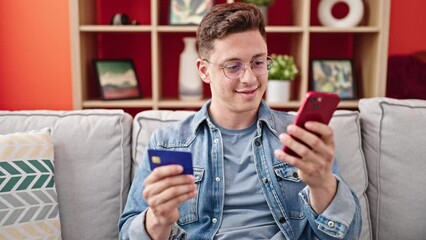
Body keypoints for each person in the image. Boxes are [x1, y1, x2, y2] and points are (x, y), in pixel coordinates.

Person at [118, 2, 361, 239]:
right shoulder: (169, 142)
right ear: (204, 71)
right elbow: (127, 233)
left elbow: (349, 234)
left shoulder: (300, 135)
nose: (249, 79)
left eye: (258, 62)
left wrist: (323, 186)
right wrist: (157, 220)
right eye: (233, 67)